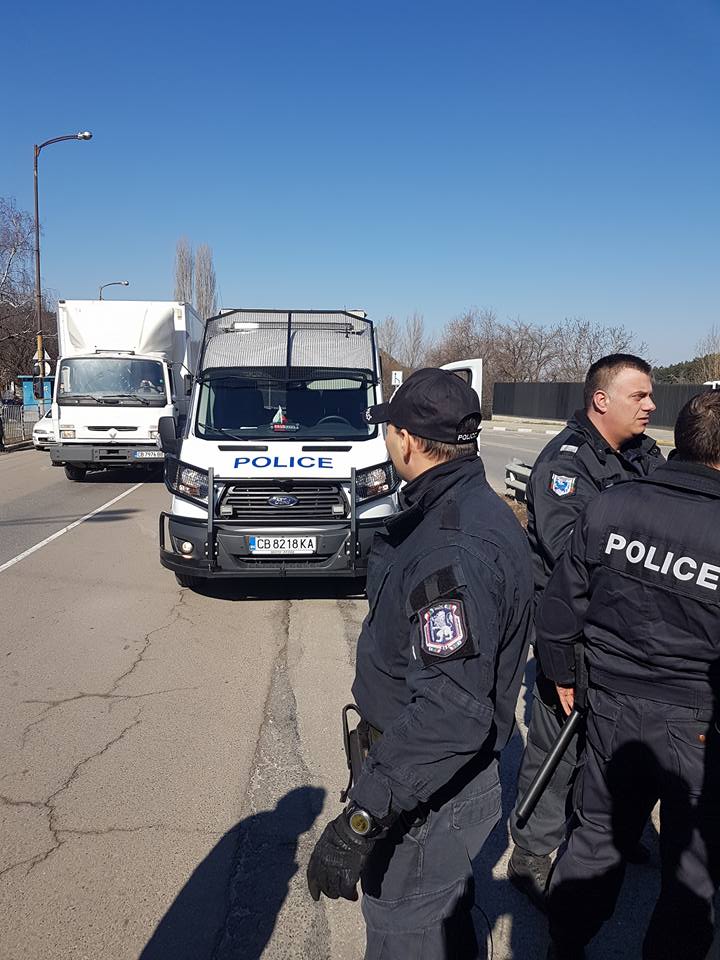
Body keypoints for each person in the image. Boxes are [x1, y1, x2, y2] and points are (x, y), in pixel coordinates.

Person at [306, 368, 534, 959]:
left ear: (406, 440)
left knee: (405, 933)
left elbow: (451, 711)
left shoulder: (450, 546)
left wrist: (363, 816)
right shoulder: (467, 509)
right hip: (430, 781)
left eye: (389, 431)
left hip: (426, 794)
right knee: (441, 922)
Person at [536, 389, 720, 960]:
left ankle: (564, 944)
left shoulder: (612, 505)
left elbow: (562, 605)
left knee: (596, 835)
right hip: (697, 723)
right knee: (692, 867)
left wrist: (563, 672)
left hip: (610, 706)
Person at [508, 354, 662, 907]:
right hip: (573, 625)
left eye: (651, 395)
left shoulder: (644, 455)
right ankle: (532, 850)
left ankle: (605, 830)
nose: (651, 406)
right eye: (639, 396)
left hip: (630, 630)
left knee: (617, 738)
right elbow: (571, 551)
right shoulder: (567, 464)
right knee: (561, 739)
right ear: (602, 400)